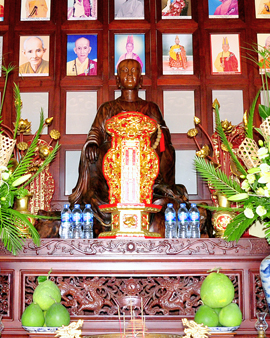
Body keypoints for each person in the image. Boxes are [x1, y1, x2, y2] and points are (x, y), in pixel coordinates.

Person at [68, 58, 186, 235]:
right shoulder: (108, 108)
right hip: (114, 163)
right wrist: (92, 143)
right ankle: (103, 197)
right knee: (92, 152)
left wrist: (152, 136)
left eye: (134, 71)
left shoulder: (150, 107)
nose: (129, 75)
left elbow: (162, 136)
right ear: (117, 80)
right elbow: (96, 132)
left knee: (166, 148)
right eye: (124, 71)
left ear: (140, 80)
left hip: (143, 162)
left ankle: (154, 189)